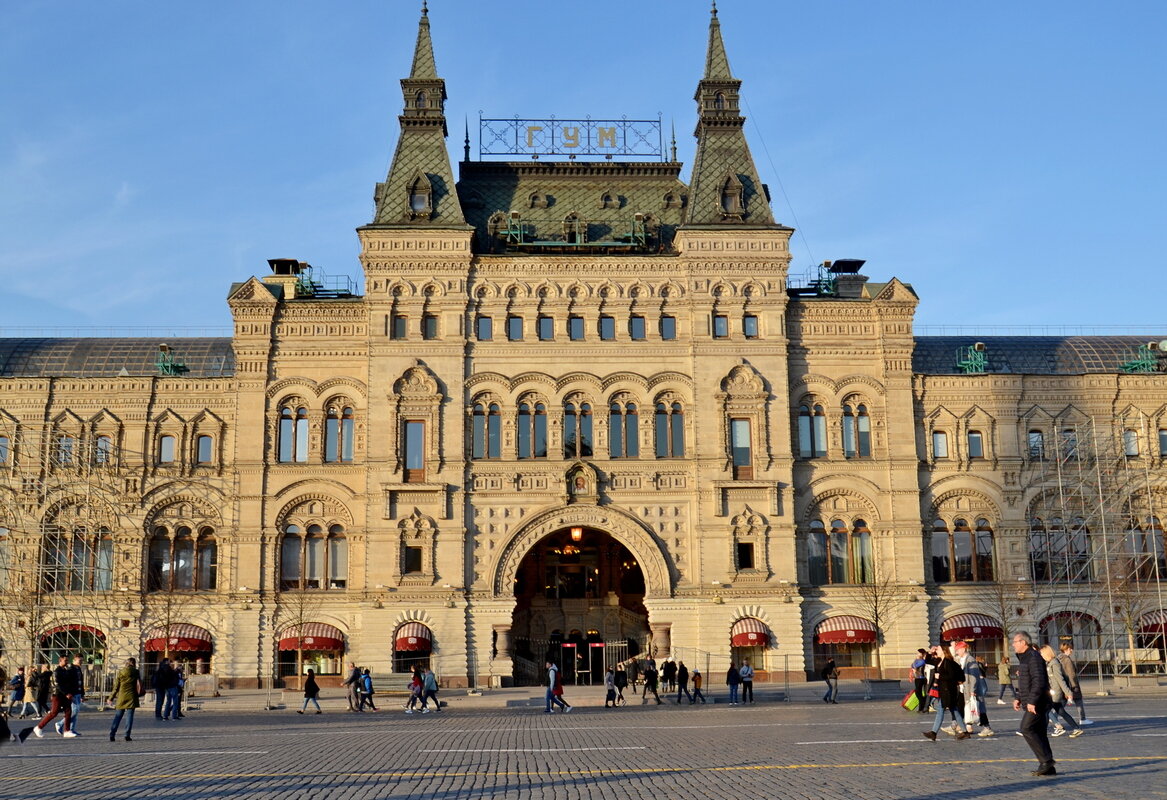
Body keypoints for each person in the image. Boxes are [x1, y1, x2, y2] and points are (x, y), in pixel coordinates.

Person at [1013, 631, 1056, 776]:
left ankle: (1046, 761)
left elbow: (1039, 680)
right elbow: (1025, 681)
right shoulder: (1024, 658)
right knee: (1039, 732)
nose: (1013, 645)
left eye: (1015, 642)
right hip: (1033, 701)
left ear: (1023, 642)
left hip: (1039, 702)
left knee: (1026, 728)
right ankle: (1048, 766)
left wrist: (1032, 701)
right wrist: (1019, 697)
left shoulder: (1033, 657)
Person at [22, 655, 79, 740]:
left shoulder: (65, 671)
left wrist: (70, 692)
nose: (67, 662)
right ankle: (39, 727)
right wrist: (67, 693)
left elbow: (67, 683)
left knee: (68, 711)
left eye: (67, 660)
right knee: (54, 713)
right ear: (60, 661)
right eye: (65, 660)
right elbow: (57, 684)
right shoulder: (57, 671)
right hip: (58, 694)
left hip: (65, 694)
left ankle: (67, 731)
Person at [922, 644, 971, 741]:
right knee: (954, 710)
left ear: (944, 651)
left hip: (949, 691)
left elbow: (951, 676)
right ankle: (965, 732)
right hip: (943, 691)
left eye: (938, 649)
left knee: (941, 710)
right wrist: (930, 652)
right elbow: (928, 661)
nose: (937, 651)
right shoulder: (939, 661)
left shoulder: (948, 662)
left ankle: (933, 733)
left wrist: (939, 677)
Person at [1041, 645, 1083, 738]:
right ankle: (1076, 728)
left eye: (1042, 654)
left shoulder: (1054, 663)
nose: (1041, 655)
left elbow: (1060, 680)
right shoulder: (1049, 663)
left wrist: (1068, 692)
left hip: (1056, 692)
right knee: (1061, 711)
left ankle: (1056, 728)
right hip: (1053, 691)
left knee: (1046, 710)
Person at [952, 641, 992, 737]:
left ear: (963, 649)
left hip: (971, 689)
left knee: (977, 708)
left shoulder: (970, 660)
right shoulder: (962, 659)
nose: (956, 652)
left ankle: (987, 727)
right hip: (964, 689)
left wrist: (972, 691)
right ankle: (962, 726)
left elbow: (974, 677)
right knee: (962, 707)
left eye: (957, 650)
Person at [108, 657, 142, 742]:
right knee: (129, 717)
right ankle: (127, 735)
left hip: (122, 696)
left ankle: (112, 734)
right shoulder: (136, 672)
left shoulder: (121, 672)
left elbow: (116, 687)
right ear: (134, 663)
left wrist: (111, 698)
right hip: (132, 696)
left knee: (118, 716)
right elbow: (139, 683)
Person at [1057, 643, 1091, 725]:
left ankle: (1054, 715)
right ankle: (1082, 719)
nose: (1071, 650)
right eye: (1070, 649)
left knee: (1064, 701)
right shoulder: (1067, 660)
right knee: (1078, 700)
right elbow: (1071, 674)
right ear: (1066, 649)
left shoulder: (1058, 658)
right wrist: (1074, 686)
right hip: (1071, 684)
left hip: (1064, 683)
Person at [56, 654, 86, 735]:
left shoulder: (78, 669)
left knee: (75, 712)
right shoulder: (70, 669)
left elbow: (80, 682)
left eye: (82, 660)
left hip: (78, 692)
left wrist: (82, 694)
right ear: (74, 660)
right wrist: (68, 693)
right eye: (80, 660)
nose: (81, 662)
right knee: (74, 711)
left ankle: (72, 729)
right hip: (73, 693)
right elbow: (67, 682)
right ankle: (60, 723)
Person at [910, 649, 928, 713]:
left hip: (921, 678)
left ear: (921, 654)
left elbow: (915, 666)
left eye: (918, 653)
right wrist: (915, 660)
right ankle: (922, 704)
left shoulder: (922, 661)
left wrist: (915, 661)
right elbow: (912, 665)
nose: (917, 654)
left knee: (918, 692)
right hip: (917, 677)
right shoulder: (917, 660)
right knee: (917, 692)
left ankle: (922, 705)